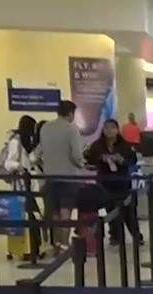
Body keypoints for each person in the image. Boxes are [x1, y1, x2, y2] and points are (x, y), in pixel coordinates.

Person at [34, 100, 85, 252]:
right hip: (68, 177)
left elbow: (38, 152)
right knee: (66, 211)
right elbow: (76, 155)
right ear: (71, 113)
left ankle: (56, 243)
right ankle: (64, 244)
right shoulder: (71, 129)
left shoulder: (45, 128)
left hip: (50, 176)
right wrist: (82, 165)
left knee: (54, 212)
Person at [84, 118, 139, 244]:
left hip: (122, 182)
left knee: (128, 211)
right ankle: (115, 236)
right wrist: (101, 159)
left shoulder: (124, 145)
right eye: (106, 128)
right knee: (110, 209)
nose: (109, 131)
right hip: (105, 182)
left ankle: (136, 235)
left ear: (117, 130)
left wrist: (122, 160)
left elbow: (132, 160)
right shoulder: (97, 145)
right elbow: (89, 160)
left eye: (112, 128)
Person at [1, 115, 38, 185]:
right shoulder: (16, 142)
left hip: (26, 180)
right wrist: (19, 166)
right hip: (19, 181)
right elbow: (8, 163)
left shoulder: (26, 141)